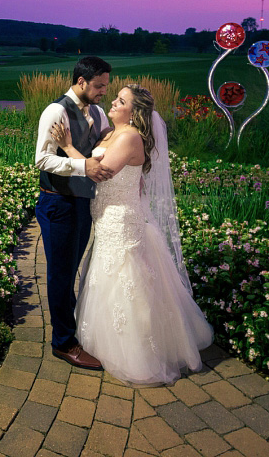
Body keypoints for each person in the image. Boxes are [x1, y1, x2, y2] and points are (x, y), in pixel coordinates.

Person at [51, 84, 214, 385]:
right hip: (105, 217)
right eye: (115, 98)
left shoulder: (130, 136)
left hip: (121, 219)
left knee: (128, 278)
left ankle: (138, 352)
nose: (113, 102)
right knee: (107, 277)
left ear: (134, 112)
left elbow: (101, 171)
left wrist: (66, 146)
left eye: (121, 101)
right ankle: (105, 339)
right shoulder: (108, 134)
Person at [34, 56, 114, 370]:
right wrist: (82, 166)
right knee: (60, 274)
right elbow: (41, 160)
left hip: (83, 202)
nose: (103, 91)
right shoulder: (55, 111)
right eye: (99, 86)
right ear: (81, 81)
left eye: (106, 85)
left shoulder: (98, 110)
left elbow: (105, 143)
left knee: (71, 268)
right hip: (58, 203)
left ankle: (71, 326)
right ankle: (63, 343)